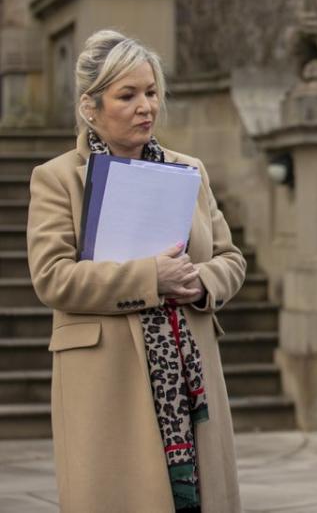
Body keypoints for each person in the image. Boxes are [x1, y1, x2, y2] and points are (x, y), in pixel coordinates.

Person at [26, 30, 246, 513]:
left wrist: (201, 283)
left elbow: (230, 258)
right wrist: (151, 279)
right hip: (108, 379)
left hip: (191, 376)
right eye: (127, 95)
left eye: (151, 92)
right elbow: (53, 277)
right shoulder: (58, 179)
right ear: (91, 105)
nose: (146, 106)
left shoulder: (190, 170)